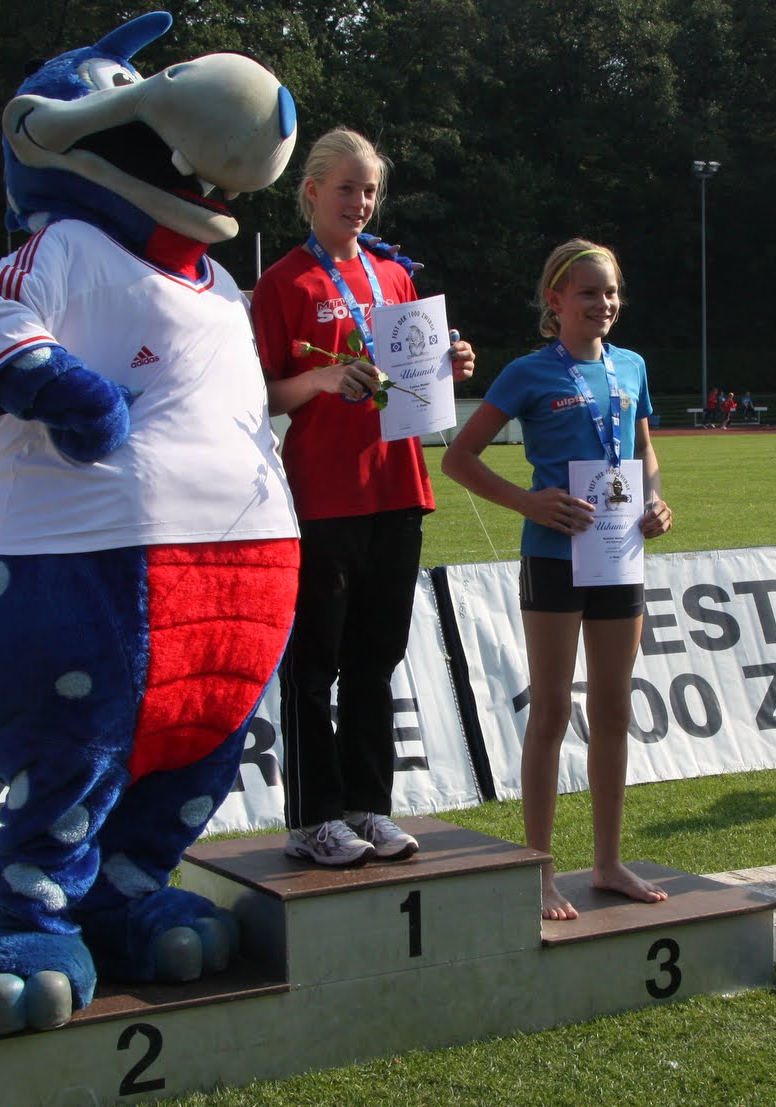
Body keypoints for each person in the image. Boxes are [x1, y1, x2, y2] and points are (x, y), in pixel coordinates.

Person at [250, 127, 477, 866]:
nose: (359, 201)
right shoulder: (285, 282)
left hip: (398, 487)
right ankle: (311, 818)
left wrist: (449, 363)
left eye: (369, 190)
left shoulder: (395, 276)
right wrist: (320, 380)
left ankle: (368, 807)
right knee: (314, 665)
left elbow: (415, 380)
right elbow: (259, 393)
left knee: (376, 661)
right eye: (346, 188)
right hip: (322, 495)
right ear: (312, 191)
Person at [441, 239, 674, 920]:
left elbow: (643, 448)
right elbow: (458, 457)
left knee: (613, 710)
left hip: (619, 554)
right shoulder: (529, 372)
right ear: (556, 300)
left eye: (611, 292)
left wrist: (656, 499)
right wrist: (529, 502)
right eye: (588, 292)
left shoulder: (632, 365)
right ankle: (540, 870)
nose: (603, 303)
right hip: (553, 557)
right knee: (550, 711)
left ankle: (607, 862)